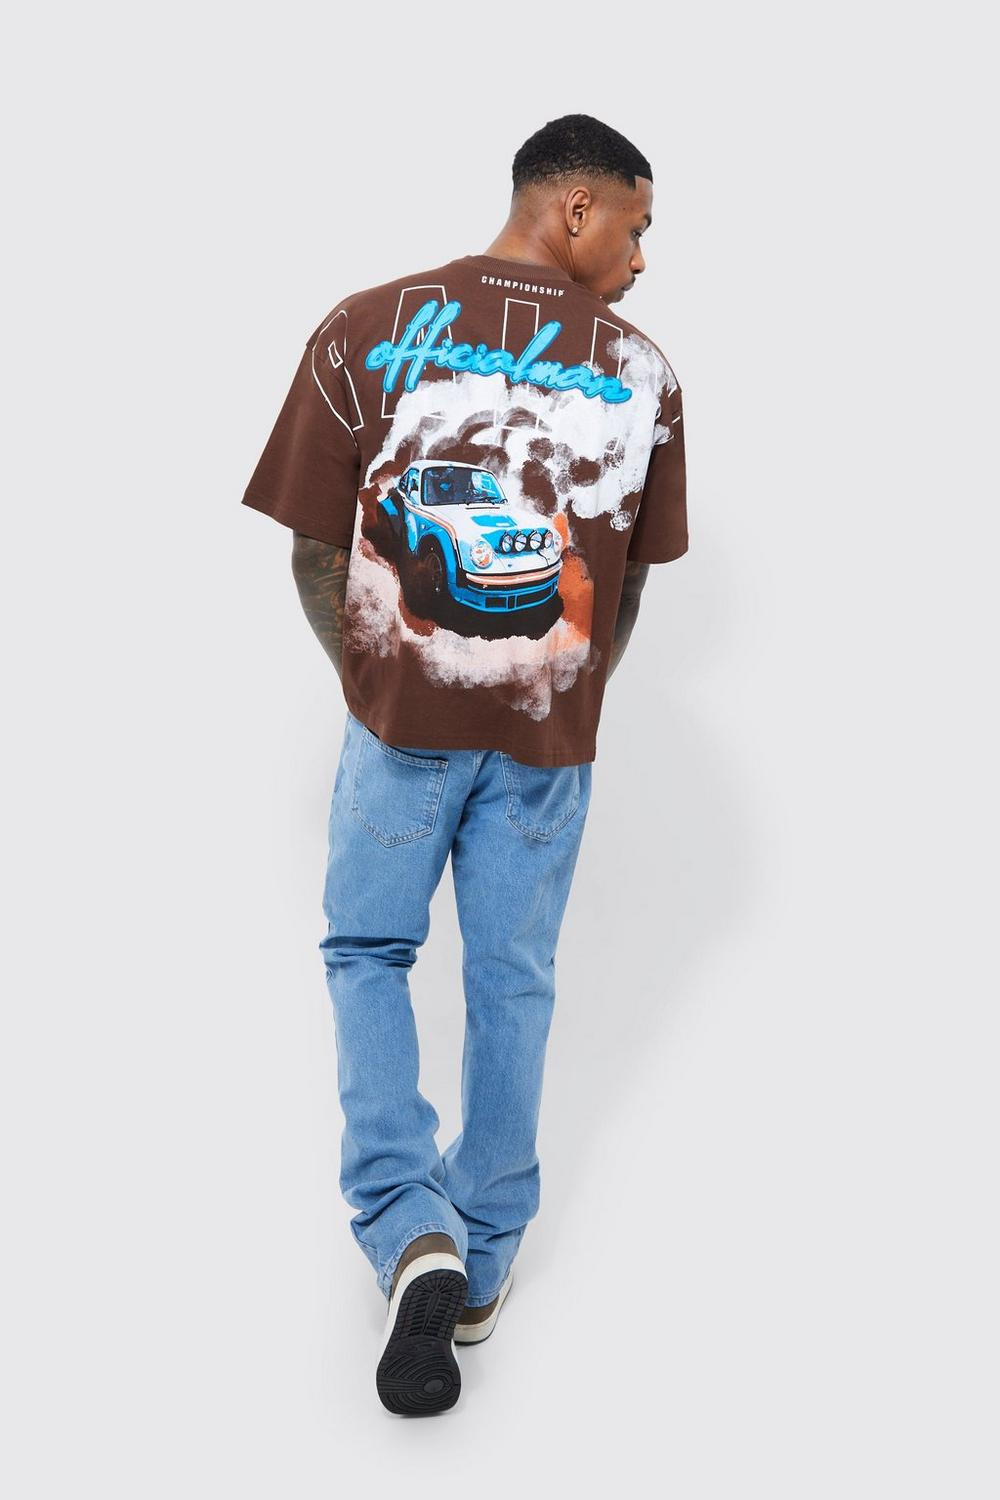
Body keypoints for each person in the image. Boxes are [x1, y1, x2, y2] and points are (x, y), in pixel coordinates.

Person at [241, 113, 688, 1416]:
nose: (644, 259)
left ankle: (408, 1227)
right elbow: (624, 585)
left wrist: (380, 687)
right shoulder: (646, 372)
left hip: (403, 731)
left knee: (367, 953)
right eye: (637, 227)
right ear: (574, 210)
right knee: (514, 983)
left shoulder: (364, 326)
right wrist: (561, 692)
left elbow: (314, 552)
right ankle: (483, 1256)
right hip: (546, 743)